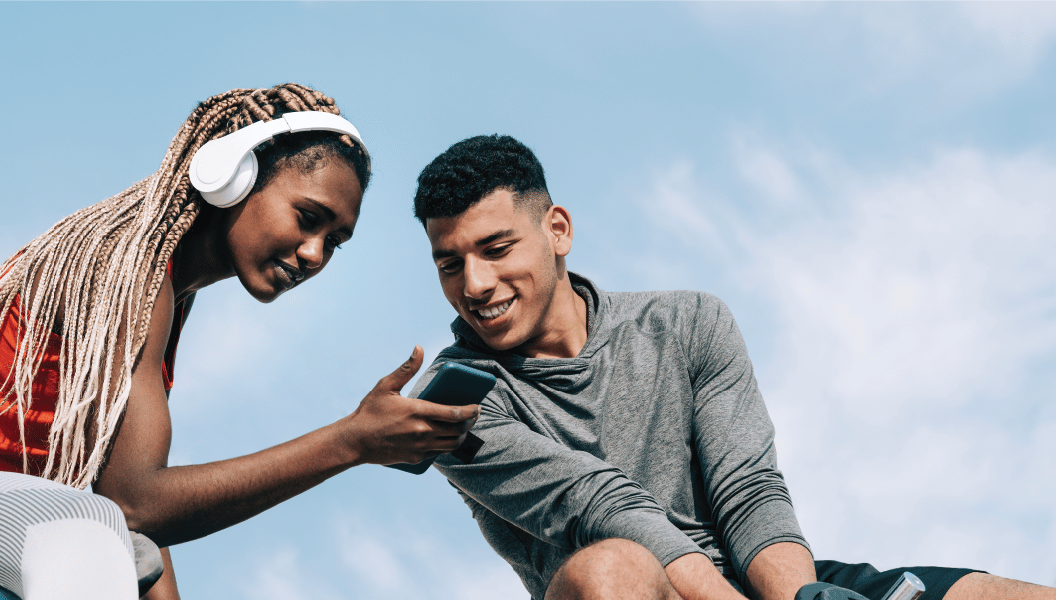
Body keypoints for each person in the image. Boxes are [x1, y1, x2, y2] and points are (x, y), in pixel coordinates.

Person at [407, 134, 1056, 600]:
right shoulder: (455, 404)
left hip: (772, 581)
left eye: (496, 249)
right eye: (449, 264)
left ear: (557, 230)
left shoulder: (689, 321)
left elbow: (748, 489)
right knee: (612, 567)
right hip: (644, 589)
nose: (477, 283)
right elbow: (601, 503)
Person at [0, 84, 480, 600]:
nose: (314, 254)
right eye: (308, 218)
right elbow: (133, 502)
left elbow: (135, 504)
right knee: (87, 539)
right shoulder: (126, 277)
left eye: (334, 242)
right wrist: (352, 441)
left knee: (129, 554)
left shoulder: (161, 289)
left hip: (1, 507)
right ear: (232, 174)